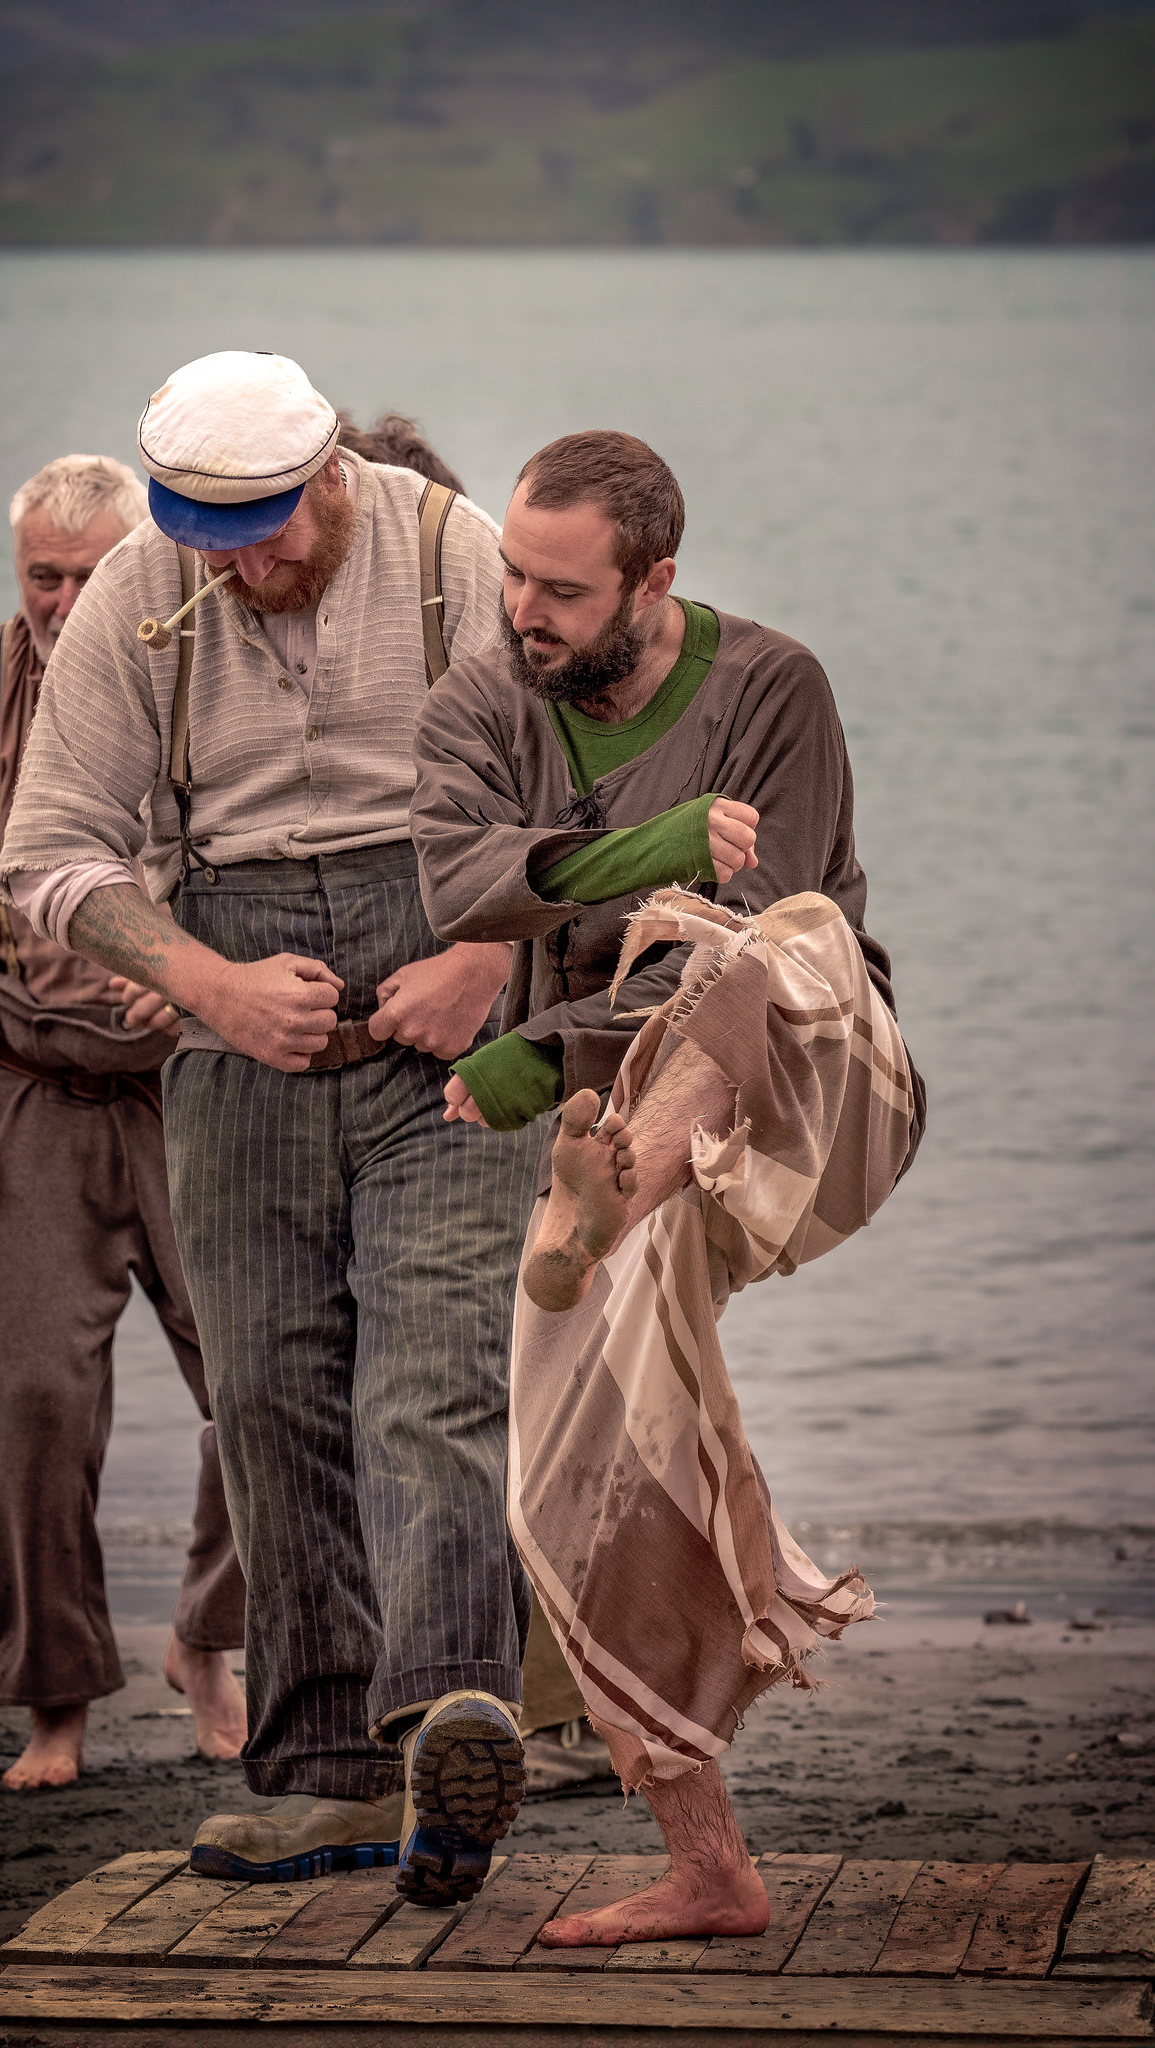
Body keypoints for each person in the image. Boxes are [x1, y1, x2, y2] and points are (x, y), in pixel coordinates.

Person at [0, 353, 540, 1905]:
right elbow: (46, 859)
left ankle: (452, 1731)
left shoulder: (450, 553)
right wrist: (204, 985)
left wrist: (489, 955)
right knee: (270, 1390)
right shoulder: (134, 596)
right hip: (235, 1000)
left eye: (269, 528)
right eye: (207, 531)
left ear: (334, 479)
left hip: (447, 978)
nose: (243, 562)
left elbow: (564, 779)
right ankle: (321, 1779)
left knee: (431, 1370)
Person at [410, 430, 925, 1941]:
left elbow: (757, 915)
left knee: (772, 937)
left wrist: (534, 1047)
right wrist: (652, 841)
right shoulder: (481, 699)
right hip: (614, 1131)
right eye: (511, 572)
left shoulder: (775, 687)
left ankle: (613, 1185)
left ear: (657, 581)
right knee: (564, 1476)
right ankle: (709, 1862)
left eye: (560, 588)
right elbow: (462, 889)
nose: (522, 608)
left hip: (813, 1089)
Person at [0, 456, 248, 1792]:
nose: (68, 601)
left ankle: (214, 1637)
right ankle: (56, 1708)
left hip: (202, 1087)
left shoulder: (219, 675)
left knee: (268, 1382)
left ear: (155, 564)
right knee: (38, 1402)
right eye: (44, 576)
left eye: (91, 573)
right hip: (30, 1098)